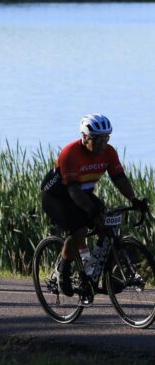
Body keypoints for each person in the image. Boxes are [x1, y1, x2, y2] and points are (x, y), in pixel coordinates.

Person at [41, 114, 147, 296]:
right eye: (98, 140)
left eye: (106, 139)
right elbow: (73, 191)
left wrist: (133, 199)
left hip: (83, 193)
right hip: (57, 197)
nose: (102, 144)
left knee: (109, 228)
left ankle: (104, 277)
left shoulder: (109, 152)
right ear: (85, 138)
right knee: (80, 230)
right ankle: (63, 270)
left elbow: (119, 178)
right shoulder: (70, 154)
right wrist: (91, 211)